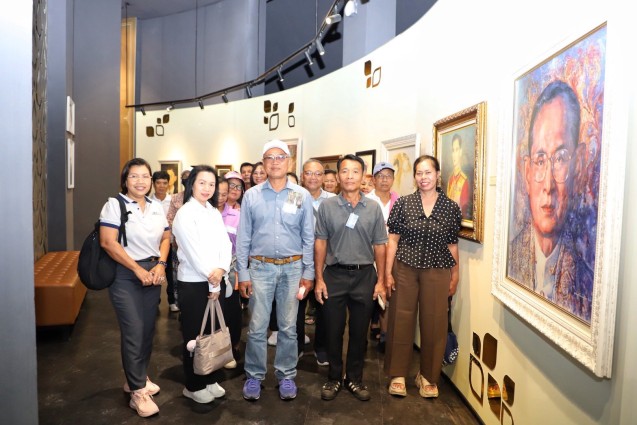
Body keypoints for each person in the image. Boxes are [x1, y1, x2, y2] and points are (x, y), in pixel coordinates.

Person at [507, 80, 593, 320]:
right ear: (527, 171)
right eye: (540, 160)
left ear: (579, 166)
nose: (548, 185)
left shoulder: (587, 287)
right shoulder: (510, 259)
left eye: (561, 158)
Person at [236, 140, 315, 401]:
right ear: (263, 163)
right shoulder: (252, 195)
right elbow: (243, 237)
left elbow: (308, 236)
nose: (275, 162)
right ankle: (254, 376)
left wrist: (308, 272)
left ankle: (286, 375)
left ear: (288, 162)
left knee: (289, 327)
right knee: (257, 327)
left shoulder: (301, 195)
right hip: (260, 268)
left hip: (293, 268)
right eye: (269, 157)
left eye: (280, 157)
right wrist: (243, 273)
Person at [383, 155, 461, 399]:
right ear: (414, 176)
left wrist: (455, 274)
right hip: (405, 268)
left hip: (438, 270)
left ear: (437, 174)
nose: (423, 177)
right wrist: (387, 273)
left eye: (428, 172)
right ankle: (397, 374)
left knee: (435, 322)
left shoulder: (450, 208)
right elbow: (392, 241)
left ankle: (428, 376)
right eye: (419, 173)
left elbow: (452, 245)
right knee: (401, 318)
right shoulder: (403, 204)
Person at [99, 158, 171, 418]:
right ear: (125, 180)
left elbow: (166, 237)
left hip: (153, 272)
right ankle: (138, 393)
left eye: (145, 176)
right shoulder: (114, 205)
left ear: (151, 180)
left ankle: (136, 377)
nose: (140, 181)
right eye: (134, 176)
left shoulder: (156, 206)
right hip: (125, 274)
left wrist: (161, 264)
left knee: (147, 329)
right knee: (134, 329)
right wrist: (137, 270)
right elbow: (108, 243)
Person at [314, 154, 387, 402]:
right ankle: (334, 377)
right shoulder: (327, 206)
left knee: (359, 332)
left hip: (365, 276)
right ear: (337, 176)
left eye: (355, 171)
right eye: (344, 171)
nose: (349, 176)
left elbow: (380, 245)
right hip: (333, 275)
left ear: (363, 175)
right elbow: (320, 243)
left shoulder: (373, 208)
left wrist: (381, 281)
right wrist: (319, 278)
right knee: (333, 330)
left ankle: (354, 378)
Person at [172, 165, 232, 404]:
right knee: (195, 336)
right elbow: (193, 252)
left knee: (213, 333)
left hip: (216, 279)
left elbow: (225, 244)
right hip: (195, 284)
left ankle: (210, 377)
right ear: (192, 185)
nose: (207, 188)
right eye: (202, 183)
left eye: (211, 184)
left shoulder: (213, 212)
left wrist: (222, 269)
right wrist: (213, 280)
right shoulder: (185, 213)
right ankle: (194, 385)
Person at [301, 158, 335, 367]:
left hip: (326, 261)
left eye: (317, 173)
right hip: (299, 260)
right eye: (308, 173)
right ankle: (296, 345)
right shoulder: (294, 196)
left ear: (323, 177)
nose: (313, 177)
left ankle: (321, 348)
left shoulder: (333, 200)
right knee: (297, 306)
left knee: (325, 307)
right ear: (302, 175)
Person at [365, 161, 400, 352]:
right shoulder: (366, 200)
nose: (385, 180)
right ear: (374, 179)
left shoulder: (400, 201)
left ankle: (386, 335)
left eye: (388, 176)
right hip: (369, 256)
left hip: (392, 256)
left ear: (393, 179)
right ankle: (364, 333)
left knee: (388, 294)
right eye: (380, 176)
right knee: (367, 296)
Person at [215, 177, 243, 369]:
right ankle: (211, 350)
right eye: (218, 192)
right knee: (212, 311)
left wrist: (240, 271)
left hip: (231, 269)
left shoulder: (236, 215)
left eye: (224, 193)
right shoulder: (203, 213)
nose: (221, 196)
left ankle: (231, 348)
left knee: (231, 311)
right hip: (205, 270)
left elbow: (242, 246)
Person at [165, 168, 192, 312]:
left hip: (196, 244)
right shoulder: (175, 198)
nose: (186, 181)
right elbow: (170, 220)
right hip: (178, 244)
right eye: (184, 178)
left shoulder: (200, 197)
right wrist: (175, 238)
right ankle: (177, 301)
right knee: (176, 274)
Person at [151, 171, 177, 312]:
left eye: (164, 183)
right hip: (153, 245)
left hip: (170, 243)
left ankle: (172, 301)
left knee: (171, 275)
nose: (161, 186)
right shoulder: (148, 201)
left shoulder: (173, 201)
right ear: (153, 184)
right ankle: (155, 302)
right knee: (153, 272)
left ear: (168, 184)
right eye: (158, 183)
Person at [446, 134, 470, 218]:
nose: (454, 154)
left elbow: (464, 211)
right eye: (453, 150)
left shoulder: (464, 181)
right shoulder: (450, 179)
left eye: (457, 150)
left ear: (460, 152)